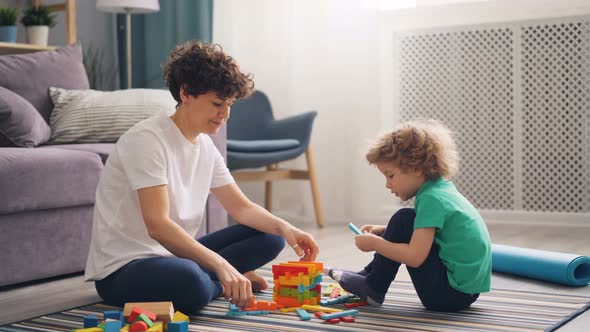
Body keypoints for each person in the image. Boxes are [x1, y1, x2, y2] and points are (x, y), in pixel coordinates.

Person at [84, 41, 319, 313]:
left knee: (271, 236)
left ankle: (220, 281)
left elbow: (241, 207)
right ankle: (221, 283)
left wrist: (287, 228)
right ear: (186, 93)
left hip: (173, 256)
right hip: (123, 270)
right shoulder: (147, 140)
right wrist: (222, 266)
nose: (225, 114)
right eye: (217, 103)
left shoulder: (205, 145)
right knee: (191, 281)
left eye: (230, 104)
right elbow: (157, 225)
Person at [325, 119, 491, 312]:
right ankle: (369, 277)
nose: (387, 184)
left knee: (404, 217)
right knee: (405, 220)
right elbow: (434, 234)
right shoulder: (440, 190)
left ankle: (373, 287)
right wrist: (384, 232)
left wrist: (375, 244)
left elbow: (415, 257)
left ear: (416, 169)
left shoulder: (431, 199)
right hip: (464, 292)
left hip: (447, 295)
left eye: (391, 175)